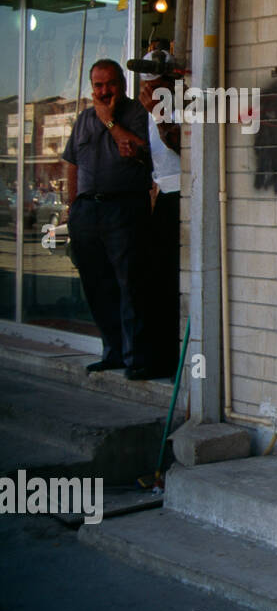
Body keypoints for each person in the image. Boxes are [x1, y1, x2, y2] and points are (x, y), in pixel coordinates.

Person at [62, 59, 155, 379]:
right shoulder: (84, 119)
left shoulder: (138, 114)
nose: (104, 91)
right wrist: (72, 209)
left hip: (124, 208)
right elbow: (72, 164)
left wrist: (110, 122)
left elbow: (144, 150)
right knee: (98, 286)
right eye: (98, 86)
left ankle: (136, 359)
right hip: (88, 211)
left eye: (110, 84)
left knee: (131, 285)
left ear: (123, 83)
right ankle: (112, 352)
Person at [137, 46, 182, 378]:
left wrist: (159, 113)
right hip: (161, 194)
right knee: (153, 280)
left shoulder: (177, 104)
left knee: (169, 281)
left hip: (182, 195)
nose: (148, 92)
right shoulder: (151, 109)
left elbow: (180, 144)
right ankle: (154, 356)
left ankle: (168, 359)